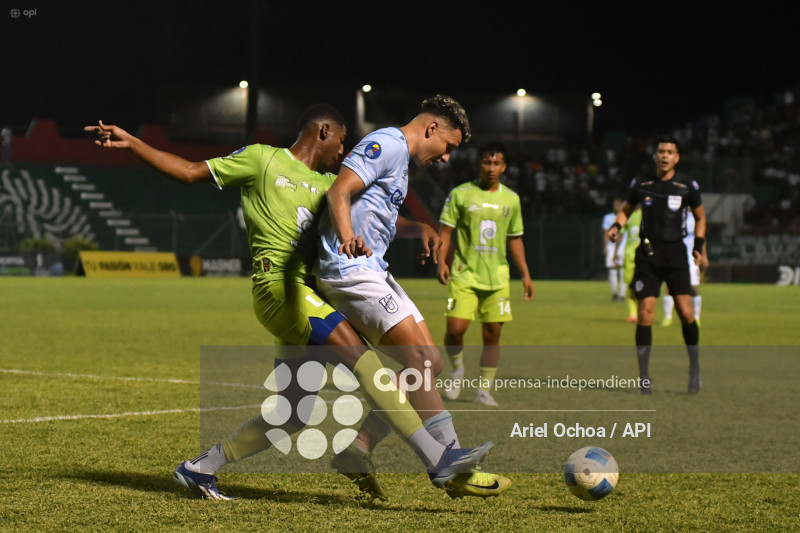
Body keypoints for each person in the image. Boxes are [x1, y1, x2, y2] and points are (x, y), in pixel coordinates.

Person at [84, 105, 499, 502]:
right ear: (324, 132)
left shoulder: (325, 187)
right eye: (340, 143)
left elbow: (370, 216)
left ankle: (200, 467)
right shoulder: (262, 160)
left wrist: (417, 226)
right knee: (366, 361)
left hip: (305, 299)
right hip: (279, 288)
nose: (343, 152)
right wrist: (134, 143)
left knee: (293, 413)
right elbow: (190, 171)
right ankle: (437, 459)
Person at [314, 95, 511, 495]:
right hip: (349, 269)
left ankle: (360, 446)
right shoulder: (386, 142)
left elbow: (378, 212)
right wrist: (348, 237)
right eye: (448, 148)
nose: (445, 159)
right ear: (432, 129)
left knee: (431, 363)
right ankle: (450, 464)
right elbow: (339, 191)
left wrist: (417, 226)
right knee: (419, 359)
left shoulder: (400, 160)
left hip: (373, 269)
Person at [607, 137, 708, 395]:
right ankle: (643, 378)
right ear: (655, 156)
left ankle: (694, 369)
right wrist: (617, 226)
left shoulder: (687, 185)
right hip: (648, 255)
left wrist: (698, 246)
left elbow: (700, 217)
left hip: (675, 254)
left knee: (686, 313)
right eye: (661, 151)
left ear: (677, 157)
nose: (665, 156)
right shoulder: (642, 183)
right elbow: (626, 210)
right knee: (645, 314)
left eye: (670, 152)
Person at [436, 142, 534, 407]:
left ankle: (483, 390)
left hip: (497, 278)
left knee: (492, 335)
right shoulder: (460, 194)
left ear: (504, 167)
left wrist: (525, 274)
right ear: (478, 164)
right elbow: (445, 231)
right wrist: (441, 262)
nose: (491, 168)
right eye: (486, 163)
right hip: (464, 274)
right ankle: (457, 369)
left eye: (496, 164)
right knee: (455, 329)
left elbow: (515, 239)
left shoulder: (511, 199)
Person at [661, 212, 706, 326]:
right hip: (675, 256)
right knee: (669, 288)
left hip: (691, 258)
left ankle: (696, 317)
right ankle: (668, 317)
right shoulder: (673, 215)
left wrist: (704, 255)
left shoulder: (695, 218)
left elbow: (701, 237)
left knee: (694, 288)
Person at [616, 204, 642, 323]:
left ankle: (643, 313)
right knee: (630, 286)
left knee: (643, 287)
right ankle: (633, 315)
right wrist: (616, 251)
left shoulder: (649, 213)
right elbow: (620, 233)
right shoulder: (628, 214)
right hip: (629, 255)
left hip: (644, 257)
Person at [602, 198, 626, 301]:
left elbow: (622, 234)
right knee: (612, 268)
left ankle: (622, 294)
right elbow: (606, 233)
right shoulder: (608, 217)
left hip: (623, 245)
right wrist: (605, 246)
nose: (618, 207)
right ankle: (615, 292)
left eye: (620, 205)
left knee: (622, 268)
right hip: (611, 245)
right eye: (617, 205)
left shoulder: (626, 216)